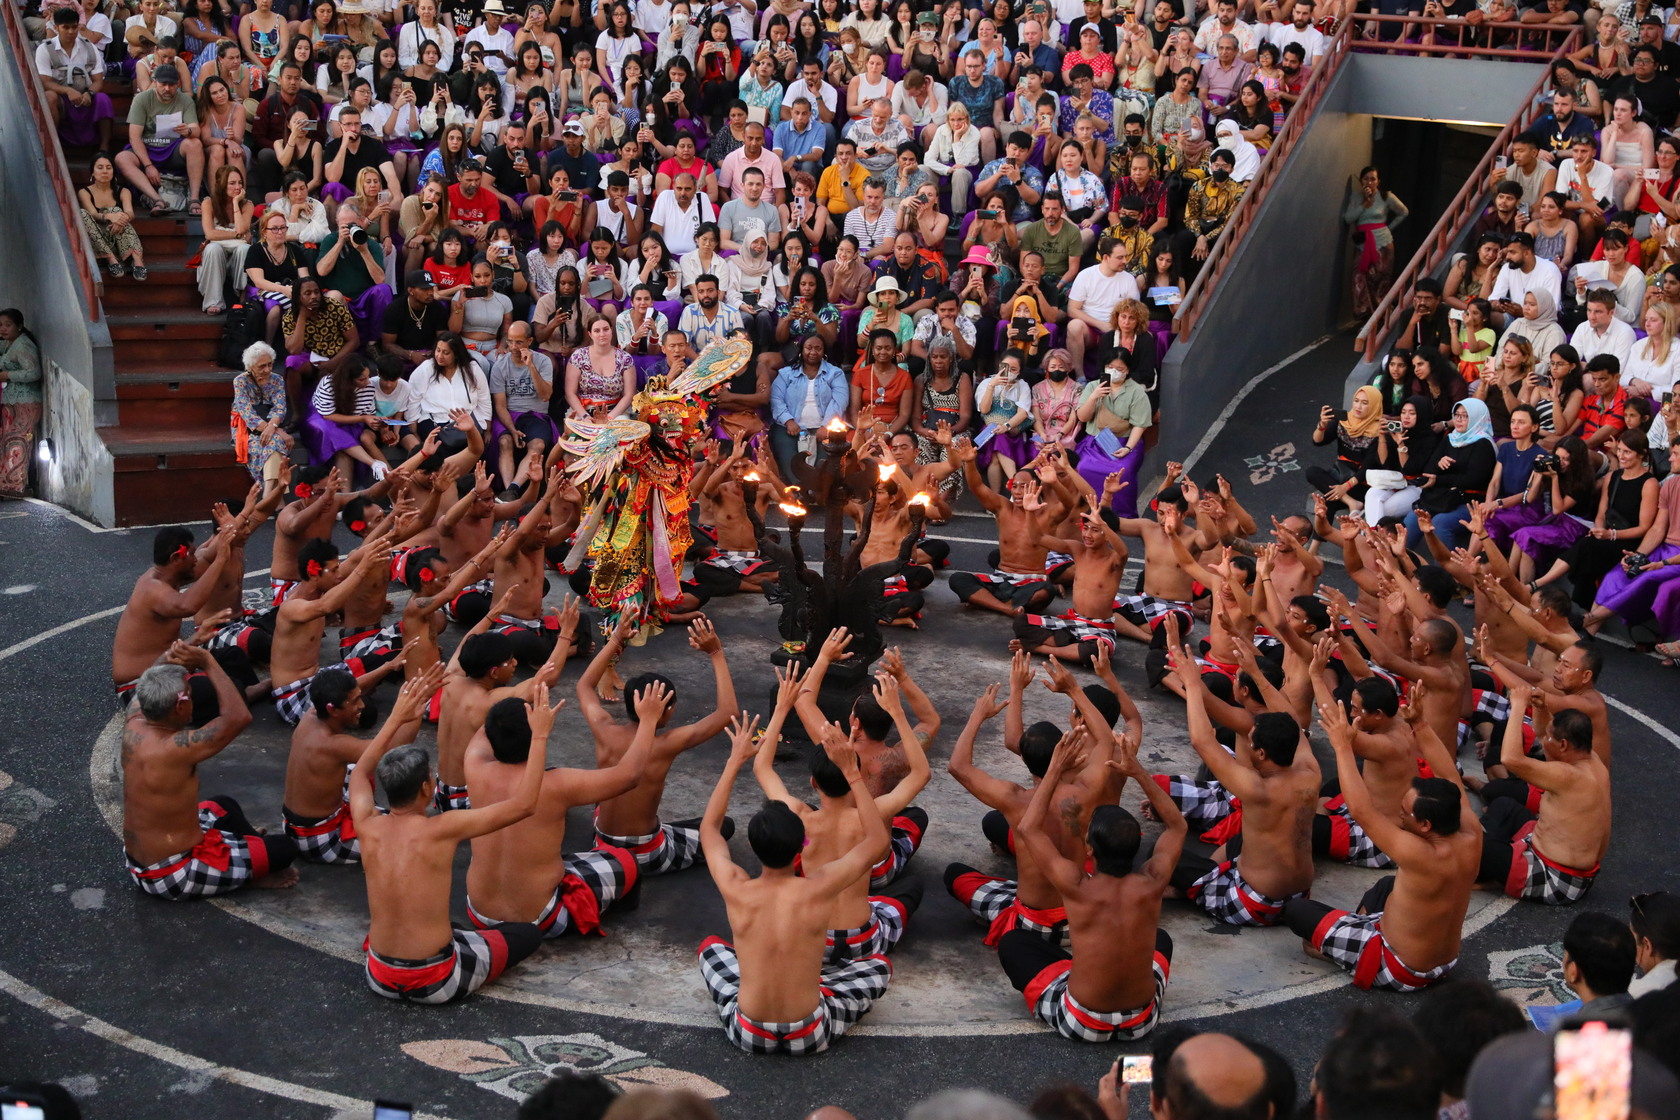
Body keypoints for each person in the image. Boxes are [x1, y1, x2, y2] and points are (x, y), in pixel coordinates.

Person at [697, 711, 895, 1055]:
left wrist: (733, 761)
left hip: (747, 1032)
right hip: (809, 1034)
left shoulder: (735, 885)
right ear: (799, 847)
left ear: (754, 847)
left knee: (711, 949)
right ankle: (819, 987)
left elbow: (709, 830)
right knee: (879, 967)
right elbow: (876, 842)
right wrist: (852, 772)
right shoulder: (820, 886)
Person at [1283, 694, 1479, 993]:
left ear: (1426, 825)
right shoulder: (1472, 834)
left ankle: (1350, 950)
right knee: (1387, 886)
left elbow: (1362, 811)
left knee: (1296, 910)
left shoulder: (1417, 853)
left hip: (1402, 969)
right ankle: (1354, 934)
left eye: (1406, 811)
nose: (1400, 812)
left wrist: (1342, 745)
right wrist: (1420, 725)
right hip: (1446, 963)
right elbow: (1450, 774)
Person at [997, 731, 1183, 1041]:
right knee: (1161, 939)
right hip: (1142, 1022)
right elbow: (1177, 825)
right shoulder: (1153, 881)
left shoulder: (1075, 884)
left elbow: (1028, 827)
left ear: (1090, 851)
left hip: (1083, 1021)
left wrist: (1054, 770)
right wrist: (1138, 772)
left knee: (1013, 944)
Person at [122, 646, 299, 897]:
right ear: (180, 707)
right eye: (192, 696)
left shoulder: (135, 721)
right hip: (172, 873)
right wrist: (207, 660)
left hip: (142, 862)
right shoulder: (173, 749)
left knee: (223, 805)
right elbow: (237, 717)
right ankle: (247, 874)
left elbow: (153, 673)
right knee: (284, 849)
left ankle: (248, 853)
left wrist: (184, 648)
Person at [575, 617, 740, 874]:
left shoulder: (604, 729)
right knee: (722, 826)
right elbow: (728, 711)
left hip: (602, 843)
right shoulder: (666, 744)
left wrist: (616, 639)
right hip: (646, 853)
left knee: (604, 799)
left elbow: (584, 685)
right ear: (665, 712)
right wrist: (716, 652)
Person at [1477, 689, 1609, 905]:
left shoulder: (1568, 775)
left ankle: (1488, 863)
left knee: (1470, 846)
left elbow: (1510, 758)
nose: (1543, 740)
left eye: (1549, 738)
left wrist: (1518, 706)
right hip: (1562, 865)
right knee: (1504, 805)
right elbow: (1545, 732)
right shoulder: (1592, 761)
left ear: (1564, 745)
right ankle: (1491, 857)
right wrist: (1541, 708)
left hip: (1555, 877)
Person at [116, 62, 206, 215]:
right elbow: (134, 137)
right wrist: (148, 165)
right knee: (122, 158)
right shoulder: (142, 99)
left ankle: (194, 198)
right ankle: (157, 199)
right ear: (155, 82)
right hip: (147, 147)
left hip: (173, 148)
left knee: (195, 144)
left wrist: (188, 130)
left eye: (171, 85)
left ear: (178, 84)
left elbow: (196, 130)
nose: (167, 89)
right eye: (163, 84)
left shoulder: (185, 100)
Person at [38, 6, 114, 151]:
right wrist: (67, 91)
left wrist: (89, 93)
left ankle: (104, 147)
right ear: (56, 27)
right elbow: (45, 82)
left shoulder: (90, 47)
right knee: (49, 97)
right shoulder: (45, 49)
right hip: (61, 99)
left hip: (85, 95)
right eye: (65, 27)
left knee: (103, 98)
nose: (71, 32)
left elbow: (98, 80)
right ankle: (53, 146)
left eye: (74, 27)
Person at [1345, 166, 1408, 318]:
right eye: (1366, 178)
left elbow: (1403, 212)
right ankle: (1363, 313)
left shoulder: (1386, 196)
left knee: (1380, 278)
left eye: (1373, 179)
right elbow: (1348, 218)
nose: (1369, 182)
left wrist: (1388, 228)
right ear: (1361, 181)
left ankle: (1380, 315)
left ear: (1378, 181)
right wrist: (1364, 205)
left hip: (1382, 241)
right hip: (1363, 242)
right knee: (1359, 276)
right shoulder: (1356, 197)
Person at [0, 310, 44, 500]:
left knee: (19, 444)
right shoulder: (10, 345)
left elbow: (34, 373)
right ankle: (8, 485)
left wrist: (7, 375)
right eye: (0, 325)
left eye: (7, 325)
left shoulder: (24, 345)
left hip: (25, 402)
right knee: (8, 444)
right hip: (12, 402)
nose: (3, 328)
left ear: (19, 325)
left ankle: (16, 487)